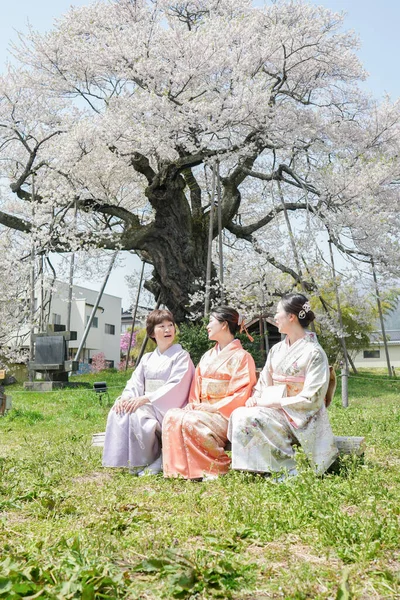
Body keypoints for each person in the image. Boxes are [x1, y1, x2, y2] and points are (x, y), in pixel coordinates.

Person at [228, 293, 338, 478]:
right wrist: (256, 398)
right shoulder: (277, 349)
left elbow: (313, 397)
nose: (275, 317)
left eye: (278, 312)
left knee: (255, 418)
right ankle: (255, 467)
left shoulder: (314, 352)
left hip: (301, 415)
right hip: (274, 409)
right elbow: (264, 382)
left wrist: (274, 403)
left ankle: (286, 470)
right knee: (240, 414)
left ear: (291, 317)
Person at [162, 306, 257, 480]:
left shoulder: (243, 357)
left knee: (190, 420)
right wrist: (193, 403)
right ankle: (179, 470)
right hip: (202, 409)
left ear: (224, 325)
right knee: (172, 415)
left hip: (223, 414)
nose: (207, 326)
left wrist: (211, 408)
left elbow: (242, 393)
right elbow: (196, 386)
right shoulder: (207, 356)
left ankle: (216, 466)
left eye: (211, 321)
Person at [102, 309, 194, 475]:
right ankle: (126, 461)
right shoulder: (147, 358)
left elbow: (176, 385)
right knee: (120, 410)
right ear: (152, 332)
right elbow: (135, 382)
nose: (168, 330)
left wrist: (146, 399)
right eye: (162, 326)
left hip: (167, 406)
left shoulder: (181, 356)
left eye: (170, 325)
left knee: (139, 415)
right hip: (147, 402)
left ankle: (150, 460)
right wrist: (126, 398)